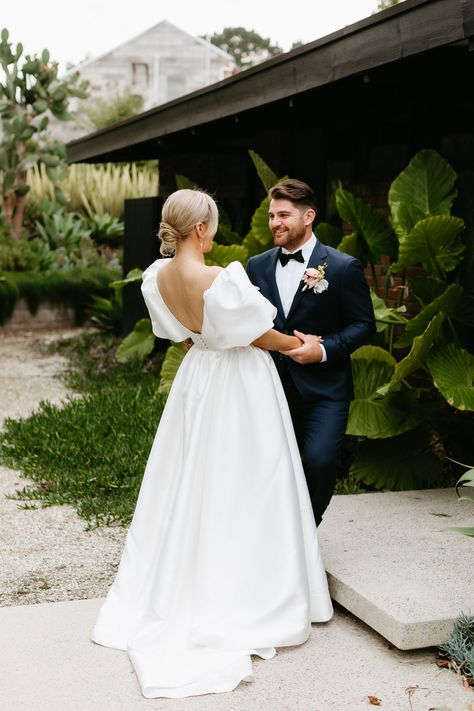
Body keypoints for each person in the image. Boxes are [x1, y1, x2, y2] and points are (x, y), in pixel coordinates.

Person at [91, 188, 333, 699]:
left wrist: (205, 340)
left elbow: (178, 333)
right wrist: (301, 346)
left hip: (197, 377)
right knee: (247, 478)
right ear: (201, 229)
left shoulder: (157, 277)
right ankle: (246, 585)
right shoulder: (222, 278)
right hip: (239, 383)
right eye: (214, 223)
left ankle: (191, 568)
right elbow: (259, 333)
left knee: (193, 473)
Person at [247, 179, 376, 527]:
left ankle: (305, 534)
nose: (275, 222)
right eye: (272, 215)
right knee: (270, 467)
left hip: (325, 391)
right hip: (271, 387)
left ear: (309, 217)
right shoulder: (256, 266)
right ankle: (278, 539)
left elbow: (364, 325)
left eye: (284, 214)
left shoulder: (342, 267)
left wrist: (322, 350)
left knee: (318, 463)